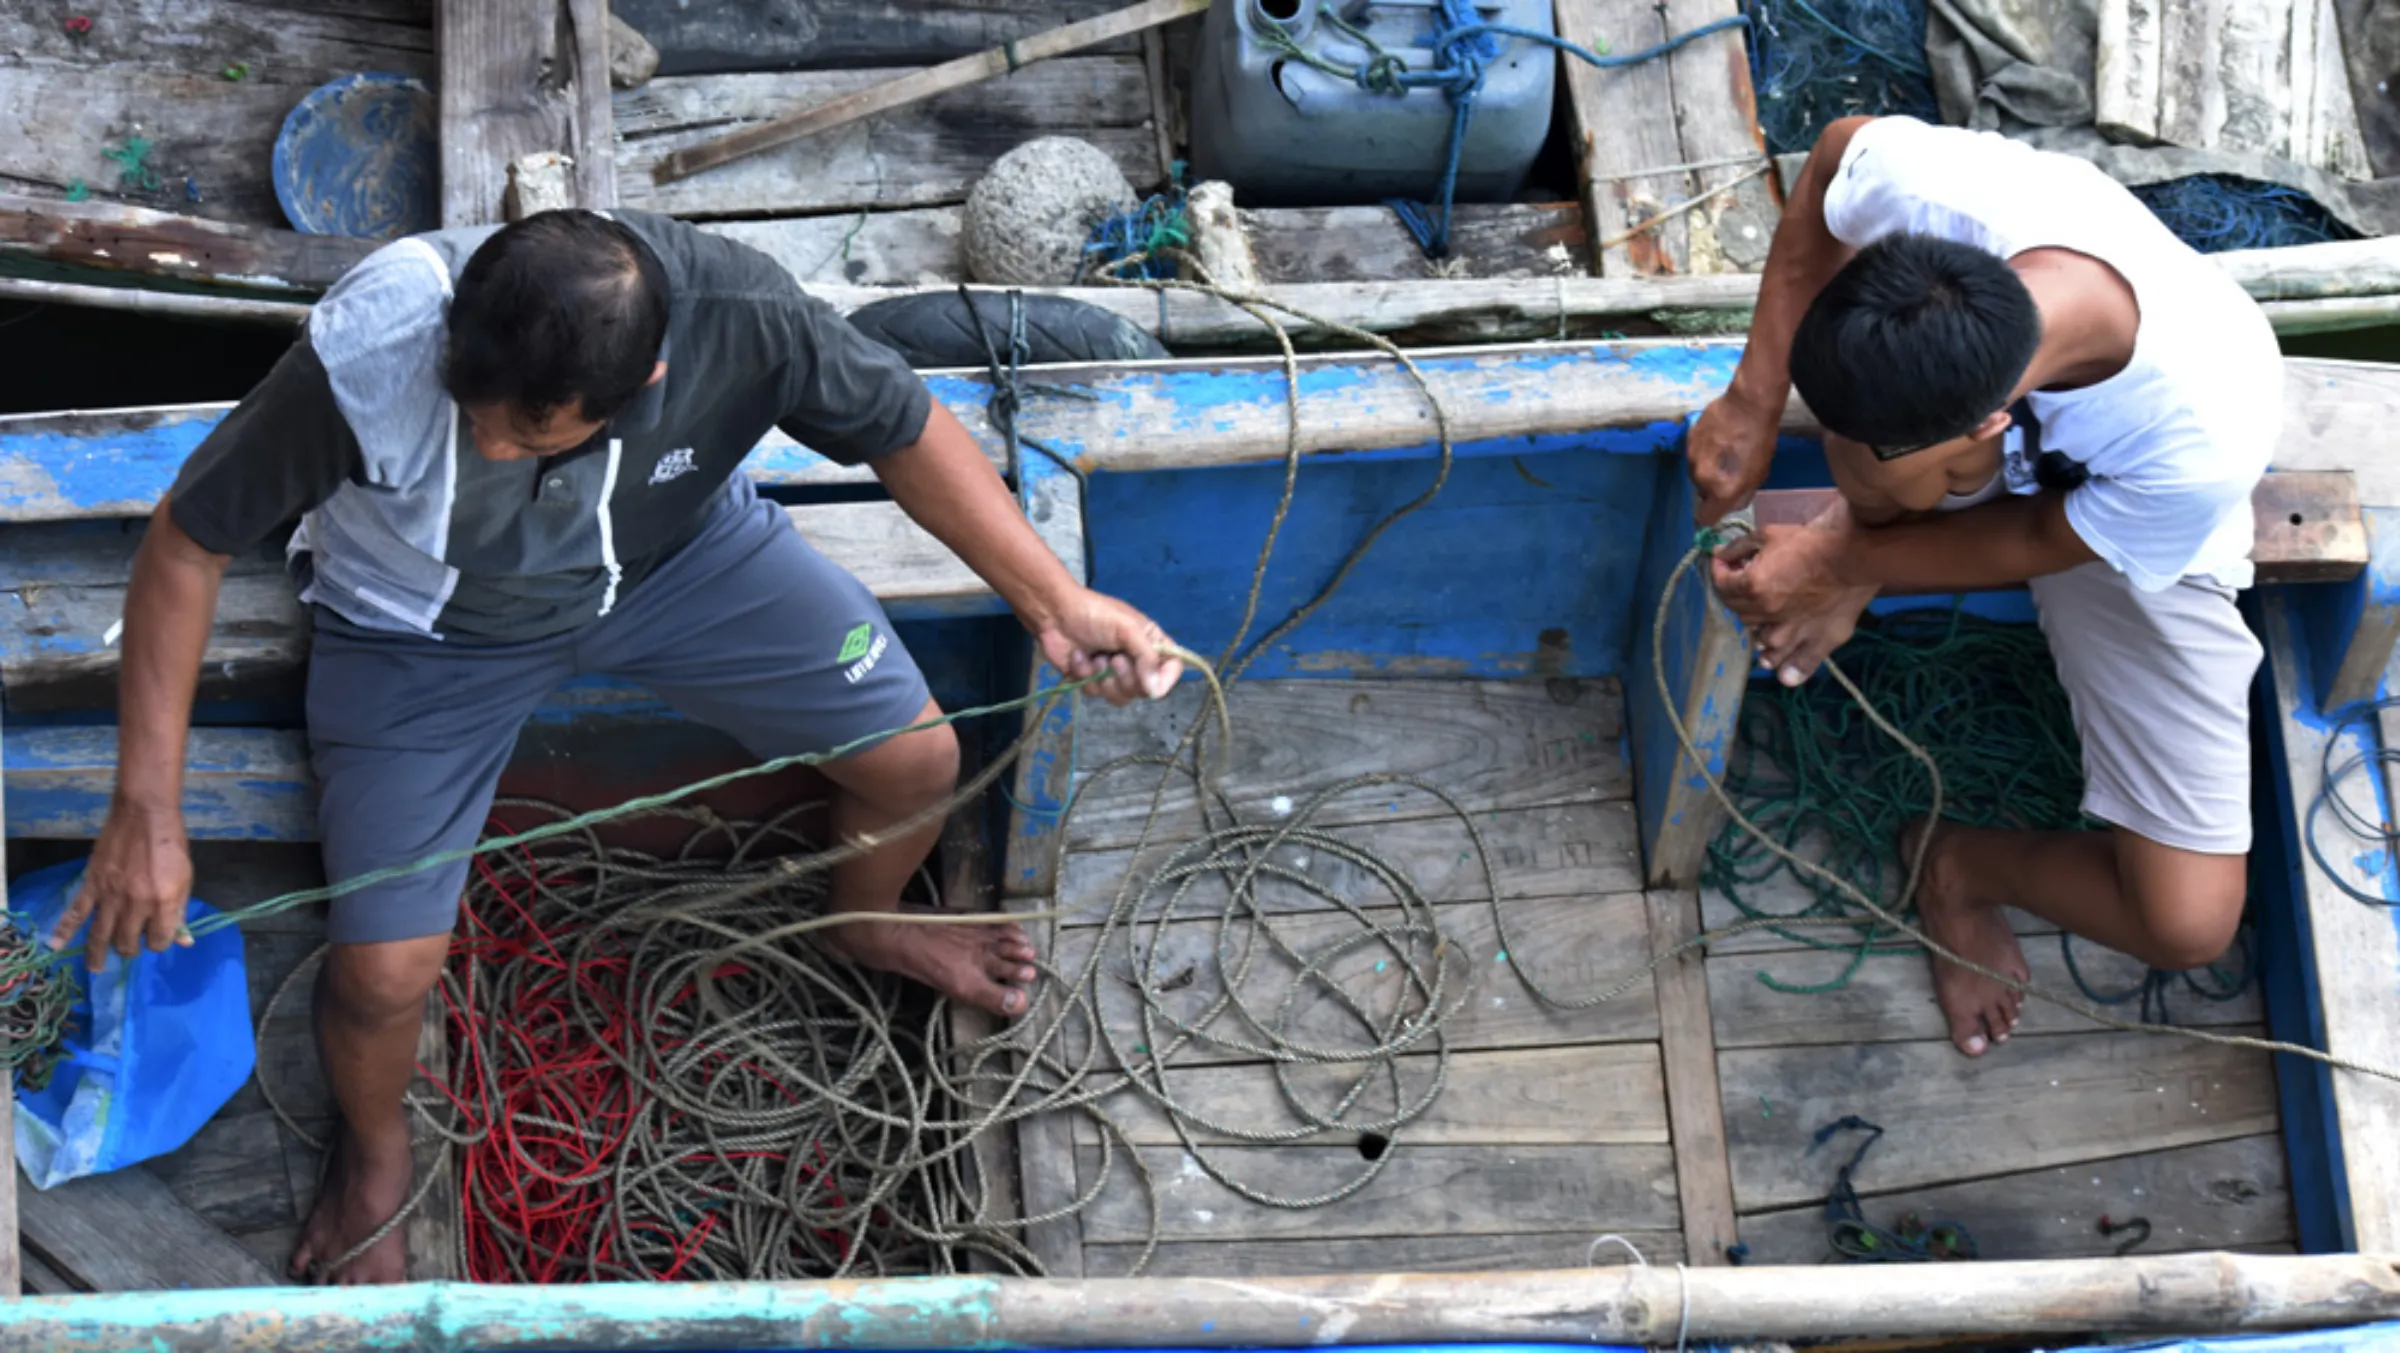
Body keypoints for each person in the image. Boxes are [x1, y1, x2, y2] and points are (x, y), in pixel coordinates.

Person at [54, 209, 1185, 1284]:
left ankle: (870, 918)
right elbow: (189, 541)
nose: (488, 445)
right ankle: (377, 1150)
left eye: (523, 433)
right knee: (383, 972)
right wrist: (144, 809)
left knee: (916, 762)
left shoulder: (745, 314)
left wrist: (1051, 601)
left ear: (643, 386)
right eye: (472, 413)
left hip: (679, 570)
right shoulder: (370, 347)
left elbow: (902, 428)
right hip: (424, 631)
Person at [1687, 115, 2281, 1060]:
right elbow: (1836, 153)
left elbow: (2052, 536)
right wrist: (1755, 400)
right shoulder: (1949, 201)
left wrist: (1845, 559)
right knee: (1869, 441)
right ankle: (1874, 511)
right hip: (1997, 469)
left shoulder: (2201, 435)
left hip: (2121, 529)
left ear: (1991, 426)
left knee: (2187, 920)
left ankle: (1958, 860)